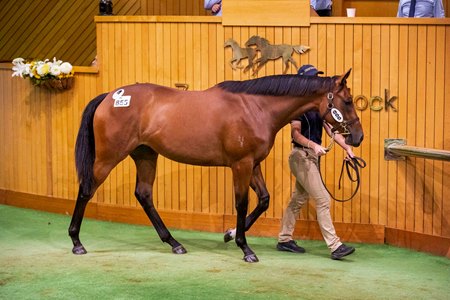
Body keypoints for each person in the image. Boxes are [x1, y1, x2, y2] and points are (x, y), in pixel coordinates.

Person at [276, 64, 356, 260]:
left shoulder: (320, 106)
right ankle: (335, 246)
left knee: (298, 199)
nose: (316, 81)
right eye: (312, 78)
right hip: (300, 156)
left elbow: (331, 131)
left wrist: (347, 148)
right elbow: (295, 133)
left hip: (310, 157)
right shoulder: (297, 107)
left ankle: (284, 239)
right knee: (322, 200)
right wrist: (313, 145)